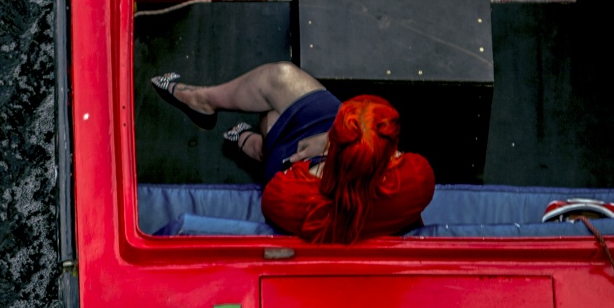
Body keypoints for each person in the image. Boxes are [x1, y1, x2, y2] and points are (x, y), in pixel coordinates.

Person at [151, 60, 434, 242]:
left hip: (307, 175)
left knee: (272, 116)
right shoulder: (418, 181)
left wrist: (319, 159)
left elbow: (277, 191)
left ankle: (213, 111)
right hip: (342, 165)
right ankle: (247, 140)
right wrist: (329, 143)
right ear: (391, 153)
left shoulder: (301, 201)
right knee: (281, 79)